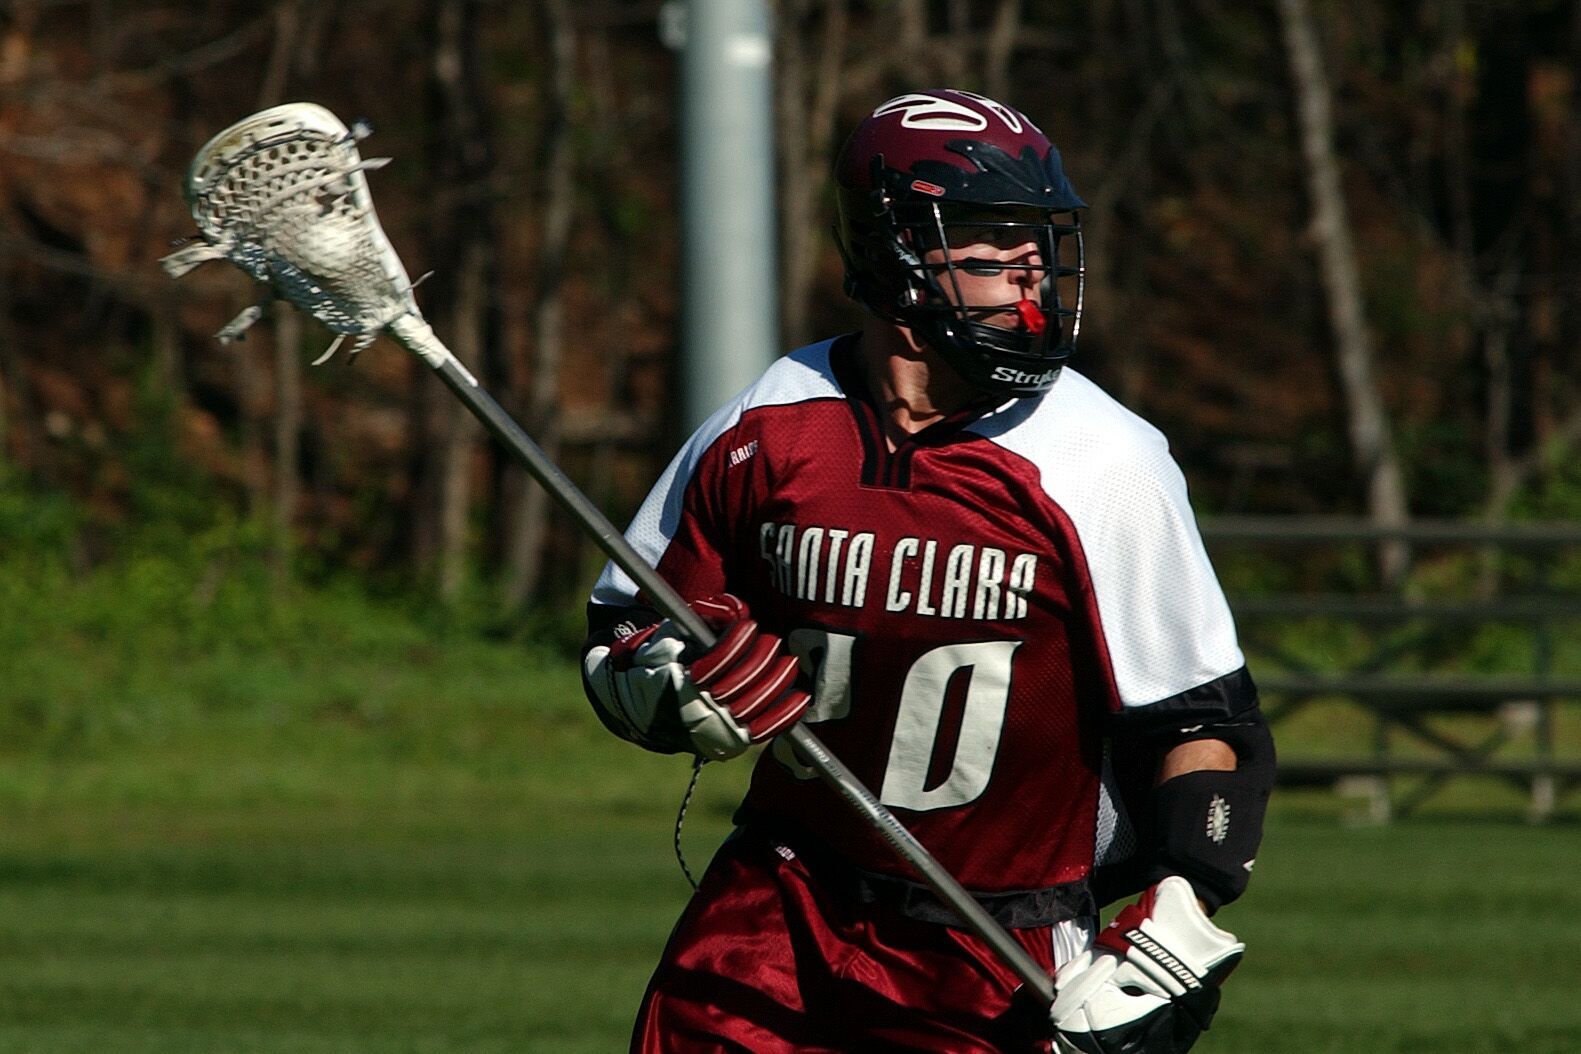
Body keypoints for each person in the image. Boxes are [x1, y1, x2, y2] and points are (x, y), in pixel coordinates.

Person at [581, 88, 1275, 1053]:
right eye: (991, 239)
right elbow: (629, 622)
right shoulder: (774, 418)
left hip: (993, 938)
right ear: (893, 252)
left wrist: (1183, 906)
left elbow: (1203, 727)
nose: (1030, 269)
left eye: (1038, 240)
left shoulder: (1102, 461)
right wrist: (658, 688)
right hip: (777, 902)